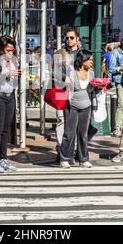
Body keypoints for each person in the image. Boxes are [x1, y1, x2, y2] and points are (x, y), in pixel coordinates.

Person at [0, 35, 22, 174]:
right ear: (1, 49)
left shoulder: (13, 60)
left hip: (10, 97)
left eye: (12, 50)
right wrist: (8, 74)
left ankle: (4, 158)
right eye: (7, 50)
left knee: (6, 130)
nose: (10, 53)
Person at [59, 50, 98, 169]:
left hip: (86, 106)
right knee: (69, 134)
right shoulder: (71, 71)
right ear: (82, 60)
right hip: (72, 106)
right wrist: (63, 79)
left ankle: (83, 159)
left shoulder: (91, 72)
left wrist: (98, 87)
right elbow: (55, 76)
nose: (92, 62)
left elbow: (91, 90)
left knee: (83, 134)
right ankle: (65, 158)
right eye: (89, 59)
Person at [54, 27, 81, 163]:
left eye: (71, 37)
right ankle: (61, 148)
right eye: (67, 37)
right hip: (62, 90)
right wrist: (63, 77)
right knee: (61, 119)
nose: (69, 40)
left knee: (75, 122)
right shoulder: (60, 53)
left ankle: (73, 150)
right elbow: (54, 71)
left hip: (78, 92)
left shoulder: (83, 53)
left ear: (77, 39)